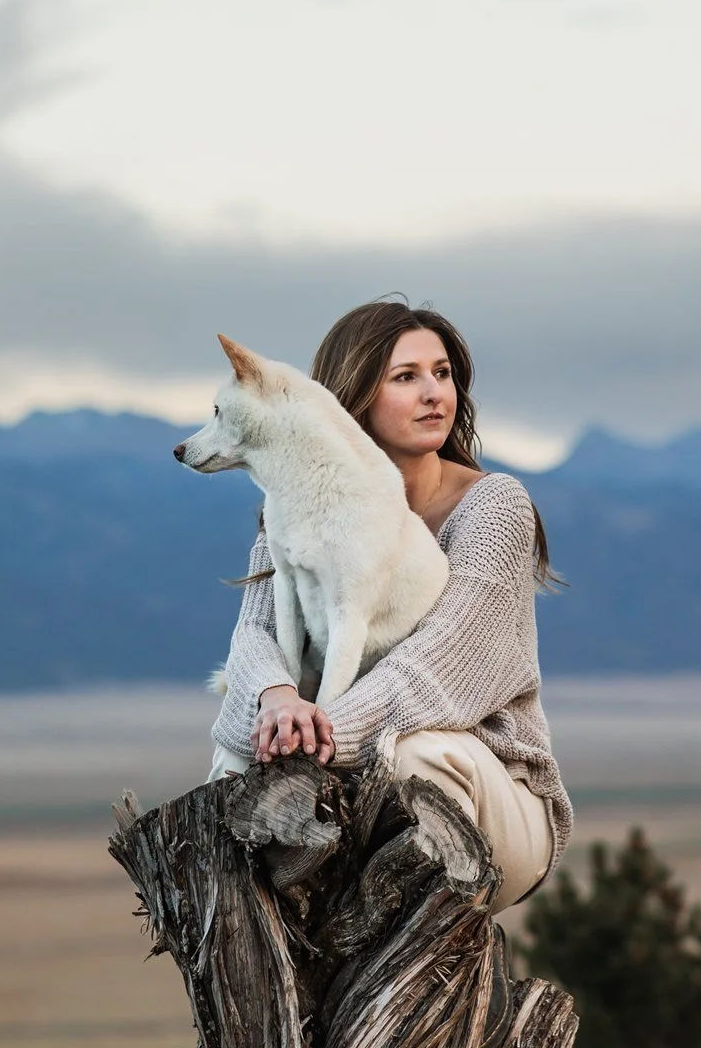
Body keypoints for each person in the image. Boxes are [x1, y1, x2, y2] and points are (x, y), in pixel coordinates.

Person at [210, 299, 572, 912]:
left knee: (416, 753)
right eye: (406, 377)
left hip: (495, 798)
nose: (434, 393)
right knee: (236, 754)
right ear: (354, 396)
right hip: (342, 782)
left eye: (443, 373)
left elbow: (438, 667)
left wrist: (320, 736)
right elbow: (256, 635)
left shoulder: (493, 508)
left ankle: (418, 934)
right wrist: (276, 701)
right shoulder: (292, 501)